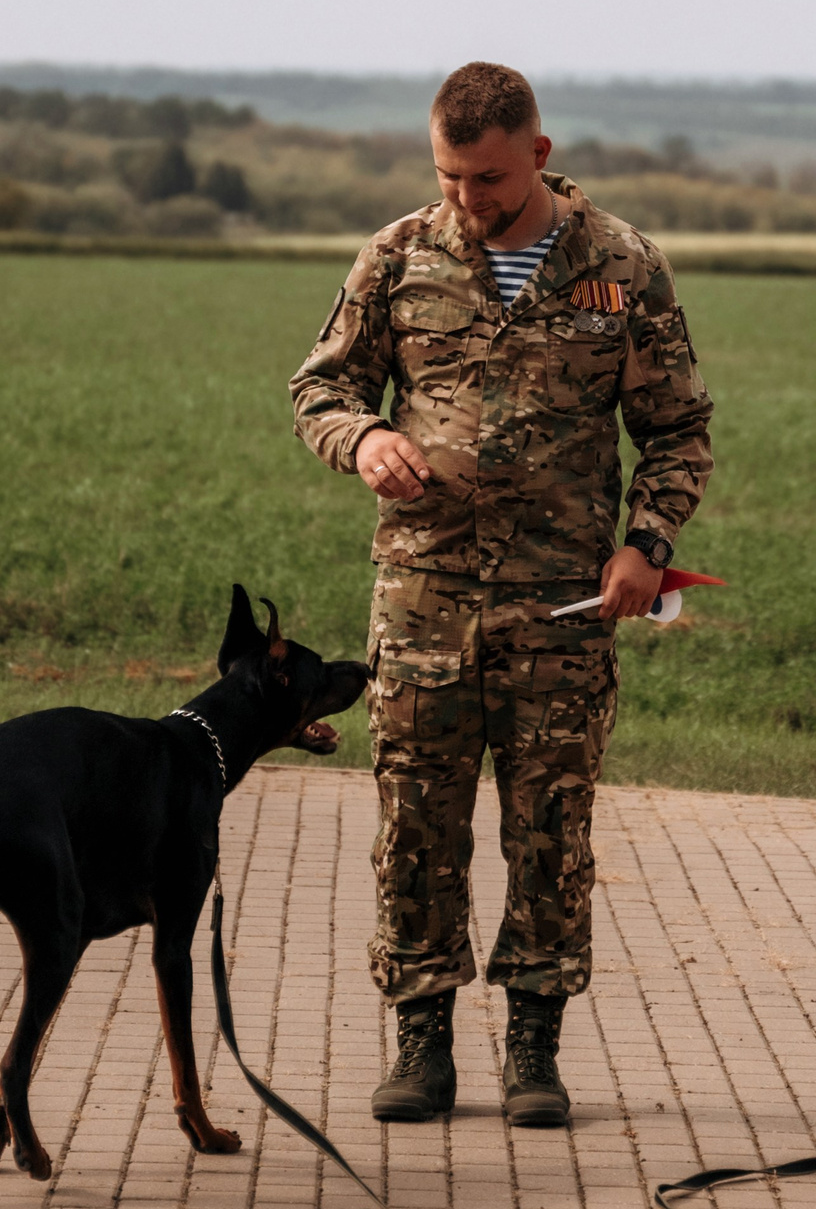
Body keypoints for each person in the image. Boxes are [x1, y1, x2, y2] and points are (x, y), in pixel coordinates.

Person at [289, 62, 713, 1128]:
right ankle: (420, 1042)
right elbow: (321, 387)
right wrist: (367, 437)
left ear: (539, 153)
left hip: (563, 606)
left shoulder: (621, 266)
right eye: (448, 176)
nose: (467, 201)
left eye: (485, 179)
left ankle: (535, 1048)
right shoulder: (397, 256)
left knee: (550, 829)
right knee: (417, 822)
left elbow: (676, 428)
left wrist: (646, 547)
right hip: (424, 601)